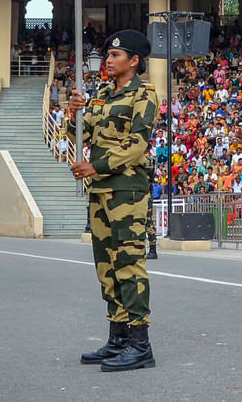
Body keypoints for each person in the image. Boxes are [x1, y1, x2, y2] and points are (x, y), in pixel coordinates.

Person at [67, 29, 158, 372]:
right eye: (107, 55)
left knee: (129, 263)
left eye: (116, 56)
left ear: (134, 61)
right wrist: (74, 110)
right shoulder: (103, 93)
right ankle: (118, 338)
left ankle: (140, 343)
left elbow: (138, 143)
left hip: (127, 189)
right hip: (101, 190)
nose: (109, 60)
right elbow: (78, 132)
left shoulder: (144, 94)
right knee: (106, 266)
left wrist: (96, 165)